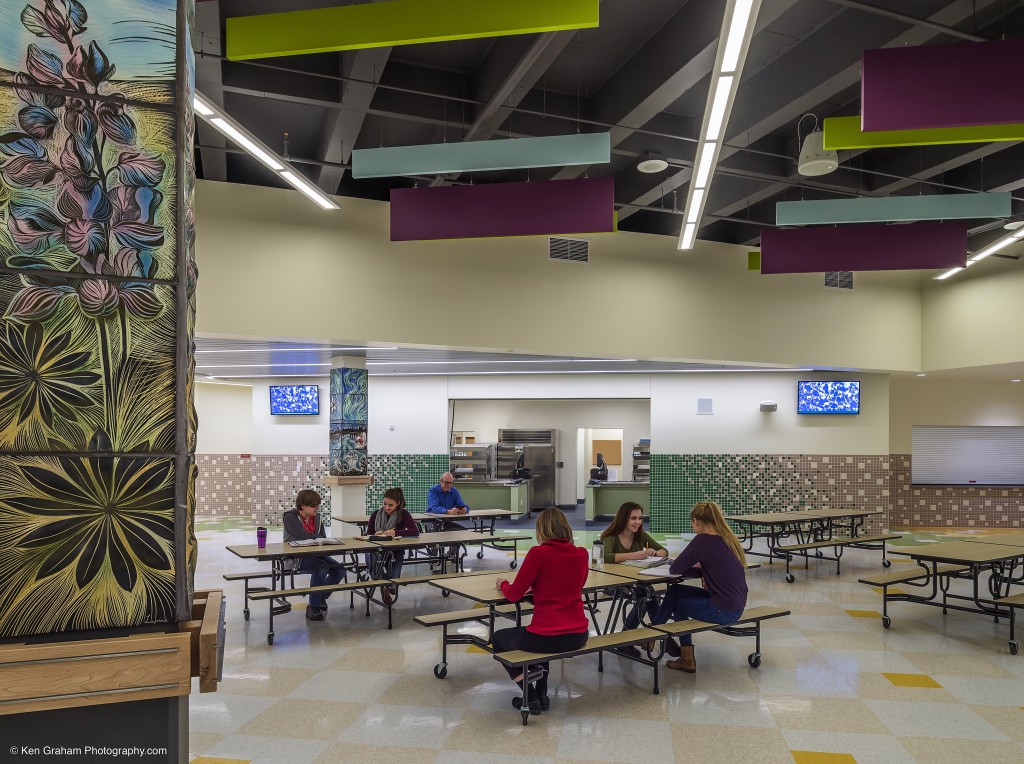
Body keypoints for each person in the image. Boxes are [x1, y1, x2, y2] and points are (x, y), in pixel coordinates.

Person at [491, 507, 589, 715]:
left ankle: (530, 695)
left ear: (541, 530)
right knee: (542, 637)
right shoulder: (581, 553)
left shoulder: (539, 553)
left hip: (547, 637)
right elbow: (575, 587)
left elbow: (514, 595)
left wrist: (503, 584)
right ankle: (542, 691)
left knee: (499, 638)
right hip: (579, 635)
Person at [651, 500, 748, 673]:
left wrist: (695, 567)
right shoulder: (727, 539)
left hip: (724, 610)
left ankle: (680, 654)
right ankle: (654, 636)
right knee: (674, 591)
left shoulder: (702, 540)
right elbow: (711, 570)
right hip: (736, 605)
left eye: (692, 523)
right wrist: (699, 567)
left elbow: (675, 568)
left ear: (696, 521)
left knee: (677, 604)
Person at [598, 502, 668, 640]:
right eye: (633, 518)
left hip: (634, 582)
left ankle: (631, 638)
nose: (638, 522)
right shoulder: (610, 537)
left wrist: (655, 553)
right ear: (624, 518)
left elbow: (664, 551)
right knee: (647, 594)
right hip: (613, 583)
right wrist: (633, 555)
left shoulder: (640, 536)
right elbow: (605, 556)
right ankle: (661, 635)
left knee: (647, 593)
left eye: (640, 518)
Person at [282, 489, 345, 621]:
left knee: (340, 570)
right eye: (314, 505)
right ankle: (313, 606)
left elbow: (322, 538)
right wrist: (315, 537)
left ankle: (320, 596)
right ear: (303, 506)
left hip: (316, 553)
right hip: (295, 558)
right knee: (321, 567)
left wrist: (314, 538)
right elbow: (304, 537)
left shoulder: (317, 518)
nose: (317, 508)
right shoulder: (290, 517)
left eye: (318, 505)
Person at [364, 487, 419, 605]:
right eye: (385, 504)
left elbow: (415, 532)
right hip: (376, 551)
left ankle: (387, 586)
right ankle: (383, 585)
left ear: (398, 504)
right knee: (375, 568)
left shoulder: (403, 514)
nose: (387, 508)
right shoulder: (375, 514)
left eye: (390, 505)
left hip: (395, 551)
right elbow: (368, 535)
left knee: (393, 583)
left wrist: (396, 533)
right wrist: (375, 534)